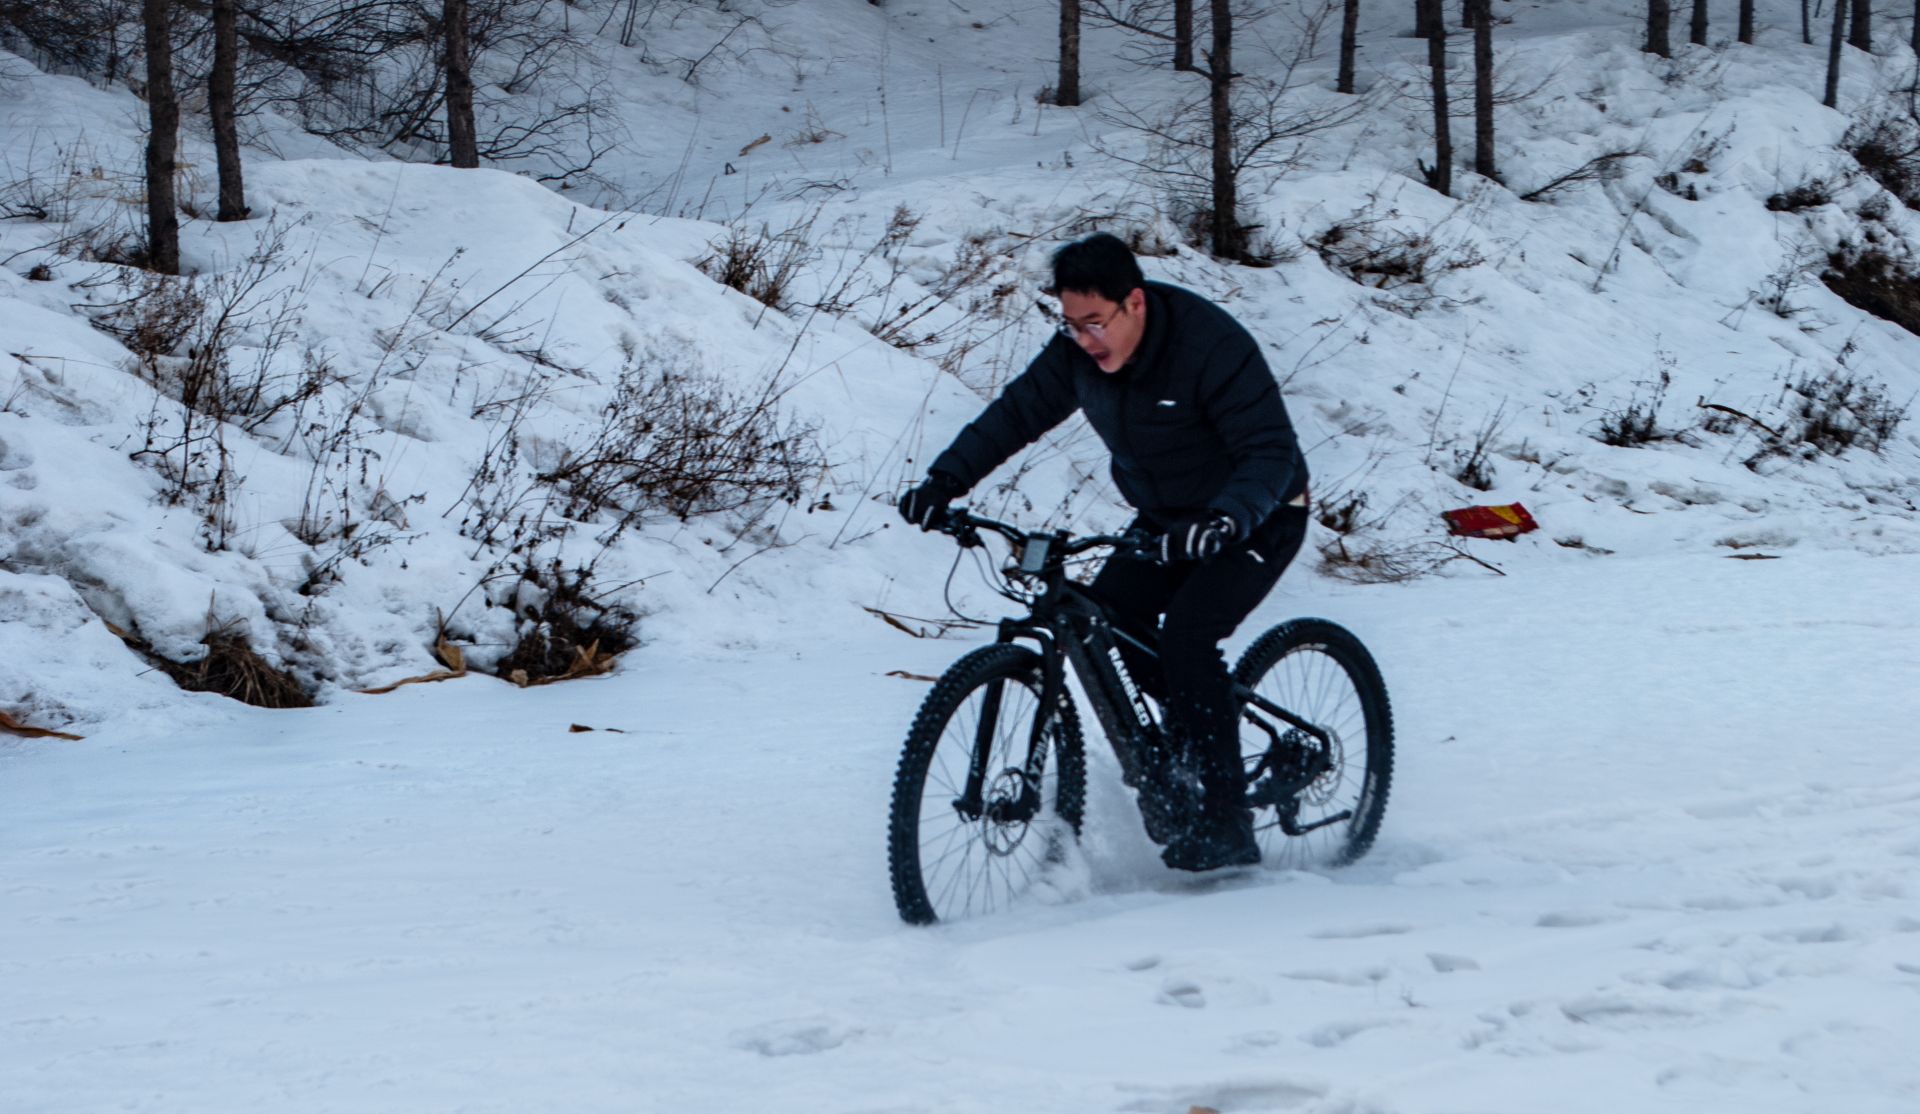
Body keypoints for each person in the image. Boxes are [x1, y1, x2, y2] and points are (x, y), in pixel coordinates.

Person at [897, 232, 1311, 873]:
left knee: (1188, 639)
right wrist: (945, 482)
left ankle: (1228, 821)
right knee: (1110, 615)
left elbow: (1268, 449)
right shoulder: (1077, 353)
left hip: (1258, 516)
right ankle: (1192, 740)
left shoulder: (1210, 346)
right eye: (1070, 325)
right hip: (1165, 517)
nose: (1085, 341)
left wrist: (1228, 519)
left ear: (1135, 303)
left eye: (1095, 324)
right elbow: (1018, 413)